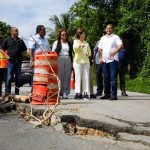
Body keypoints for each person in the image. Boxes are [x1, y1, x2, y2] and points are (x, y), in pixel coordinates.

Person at [98, 24, 123, 100]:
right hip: (105, 61)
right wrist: (100, 58)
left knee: (113, 78)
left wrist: (115, 51)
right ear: (105, 29)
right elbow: (100, 48)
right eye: (107, 28)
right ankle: (107, 94)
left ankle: (114, 95)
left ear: (112, 29)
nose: (108, 30)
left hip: (113, 60)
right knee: (106, 78)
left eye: (110, 28)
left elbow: (121, 45)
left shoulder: (115, 37)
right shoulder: (103, 38)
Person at [1, 27, 27, 96]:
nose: (18, 32)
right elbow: (1, 49)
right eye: (16, 31)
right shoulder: (7, 40)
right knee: (9, 77)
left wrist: (22, 55)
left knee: (18, 78)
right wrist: (6, 56)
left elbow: (25, 49)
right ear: (12, 32)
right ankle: (7, 93)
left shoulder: (20, 40)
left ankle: (17, 93)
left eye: (18, 31)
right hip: (11, 62)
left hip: (18, 62)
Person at [28, 25, 50, 91]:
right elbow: (31, 50)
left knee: (44, 77)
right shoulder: (34, 38)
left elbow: (48, 50)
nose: (45, 31)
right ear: (39, 31)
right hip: (37, 61)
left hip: (45, 62)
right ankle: (33, 92)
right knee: (36, 77)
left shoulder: (46, 40)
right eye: (44, 30)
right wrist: (32, 61)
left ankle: (42, 92)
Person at [52, 29, 73, 99]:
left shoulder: (69, 43)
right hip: (59, 58)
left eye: (65, 34)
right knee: (60, 76)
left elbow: (70, 53)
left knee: (67, 76)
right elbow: (53, 52)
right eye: (63, 34)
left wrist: (72, 62)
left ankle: (65, 92)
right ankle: (59, 92)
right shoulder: (57, 42)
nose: (64, 35)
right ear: (60, 35)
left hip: (68, 59)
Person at [73, 28, 91, 100]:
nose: (85, 35)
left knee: (86, 77)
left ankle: (86, 93)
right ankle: (77, 93)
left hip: (86, 62)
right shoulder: (75, 41)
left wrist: (88, 53)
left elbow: (89, 52)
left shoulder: (87, 43)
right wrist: (80, 46)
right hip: (78, 62)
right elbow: (75, 49)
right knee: (78, 77)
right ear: (79, 34)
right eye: (83, 33)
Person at [93, 31, 106, 97]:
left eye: (105, 33)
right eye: (103, 33)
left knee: (106, 76)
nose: (104, 34)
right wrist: (93, 59)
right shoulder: (99, 41)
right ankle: (99, 91)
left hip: (106, 61)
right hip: (98, 62)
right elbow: (95, 50)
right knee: (98, 76)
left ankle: (106, 91)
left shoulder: (108, 41)